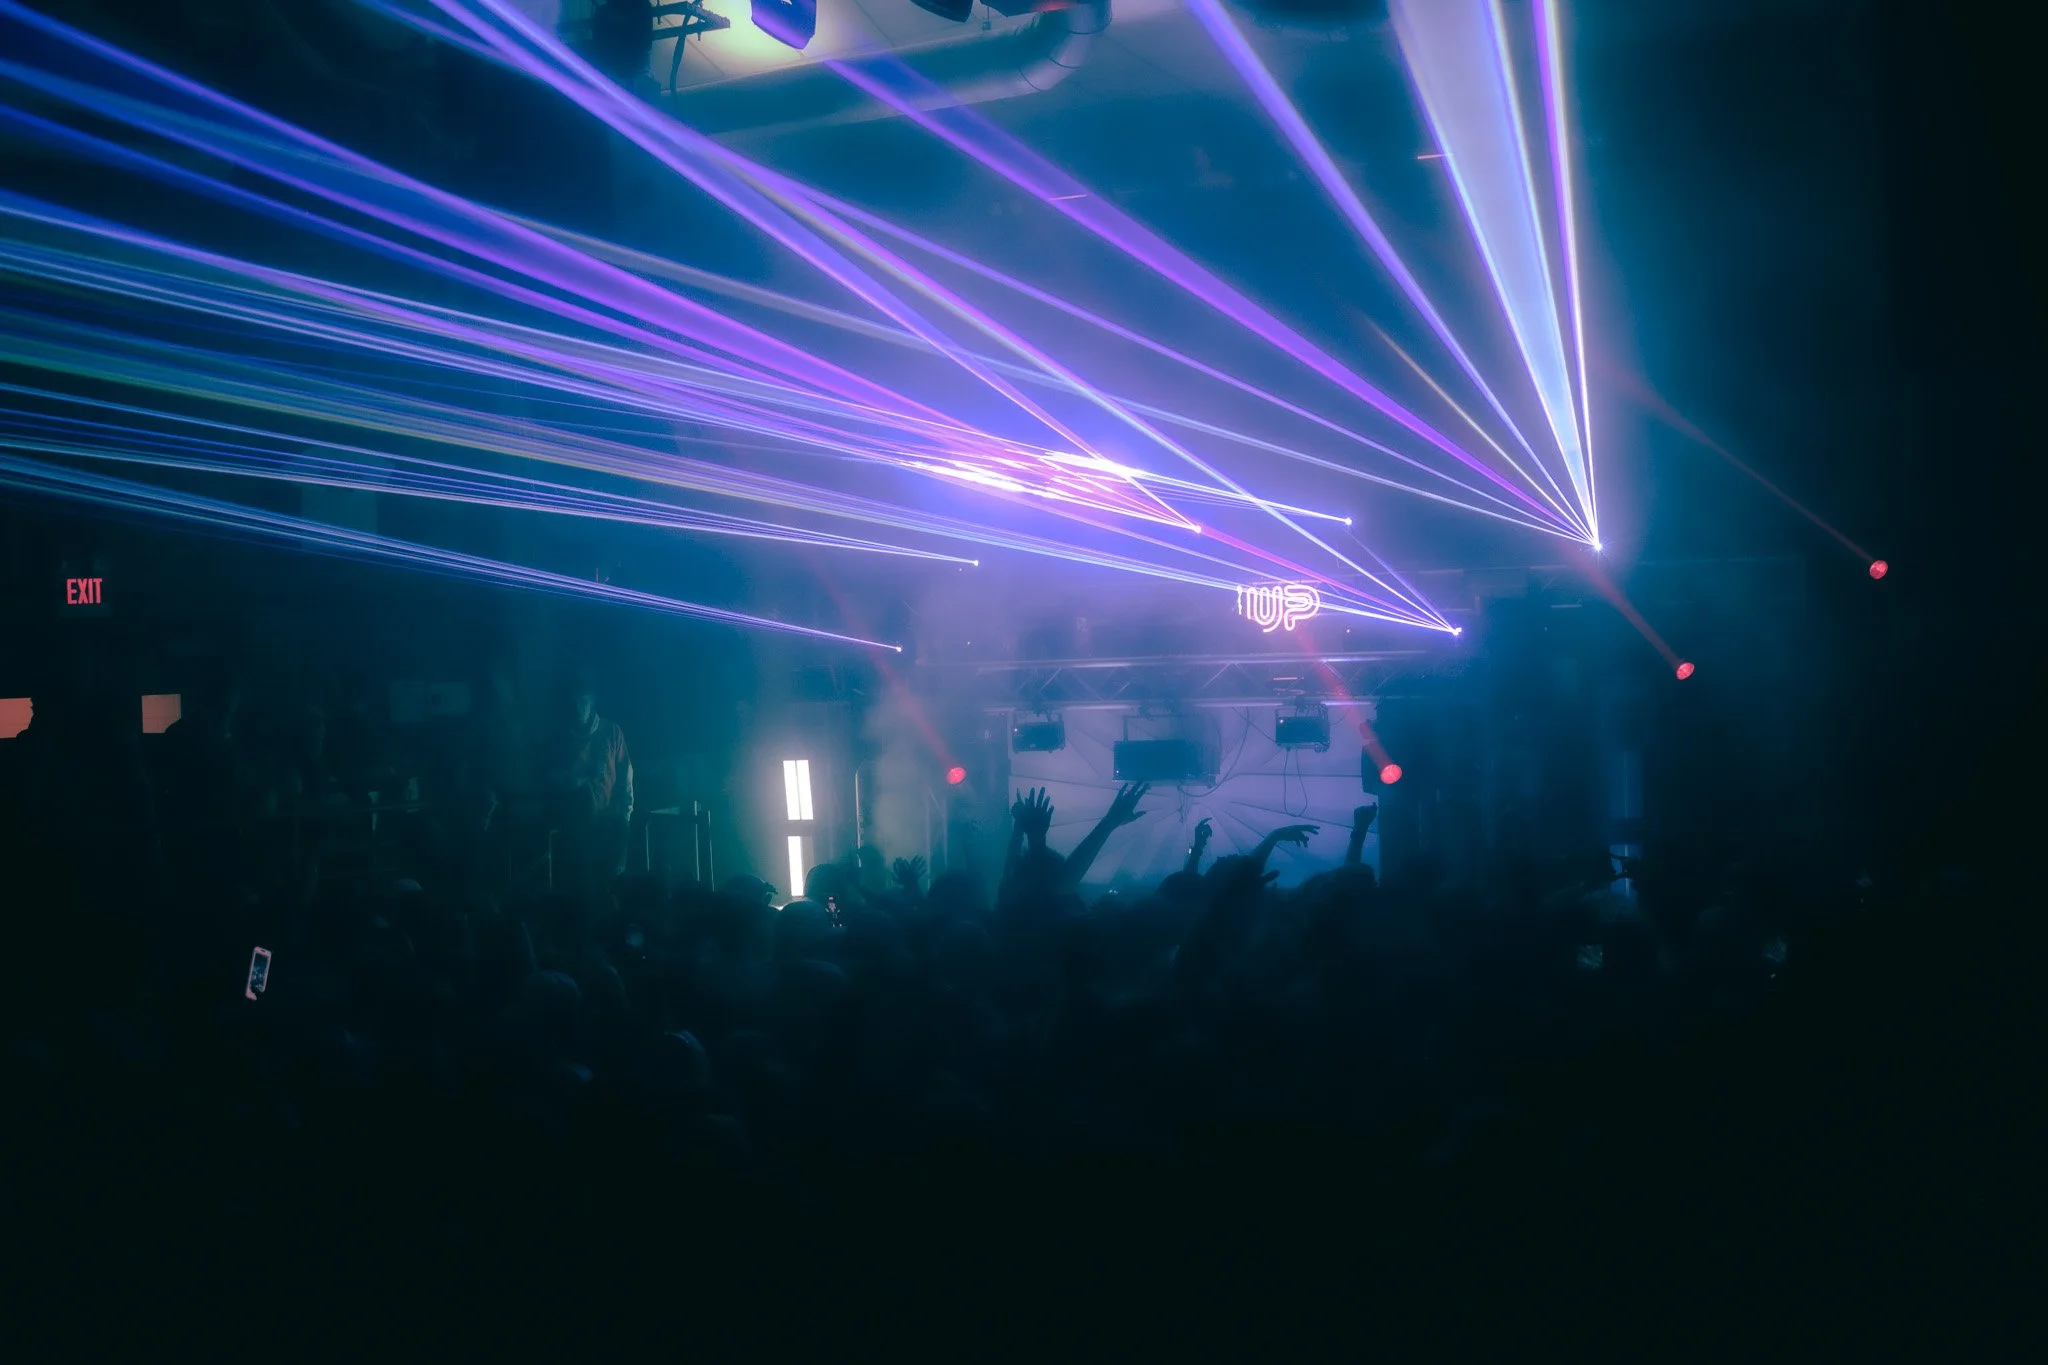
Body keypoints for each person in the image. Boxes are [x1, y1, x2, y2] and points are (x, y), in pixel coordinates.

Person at [552, 673, 633, 897]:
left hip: (608, 829)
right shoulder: (561, 738)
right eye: (574, 700)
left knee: (608, 887)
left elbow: (626, 780)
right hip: (575, 832)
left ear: (592, 700)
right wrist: (574, 780)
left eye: (583, 700)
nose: (578, 706)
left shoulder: (611, 732)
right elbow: (551, 779)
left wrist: (624, 821)